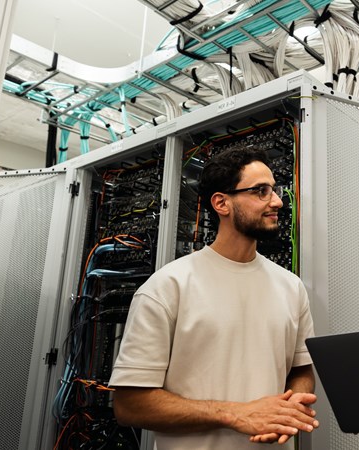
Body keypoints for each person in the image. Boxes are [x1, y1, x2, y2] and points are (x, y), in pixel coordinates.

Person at [110, 147, 319, 449]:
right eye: (260, 191)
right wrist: (235, 414)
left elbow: (301, 368)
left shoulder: (291, 286)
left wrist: (294, 404)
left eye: (274, 190)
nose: (277, 201)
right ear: (221, 203)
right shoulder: (168, 287)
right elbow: (130, 405)